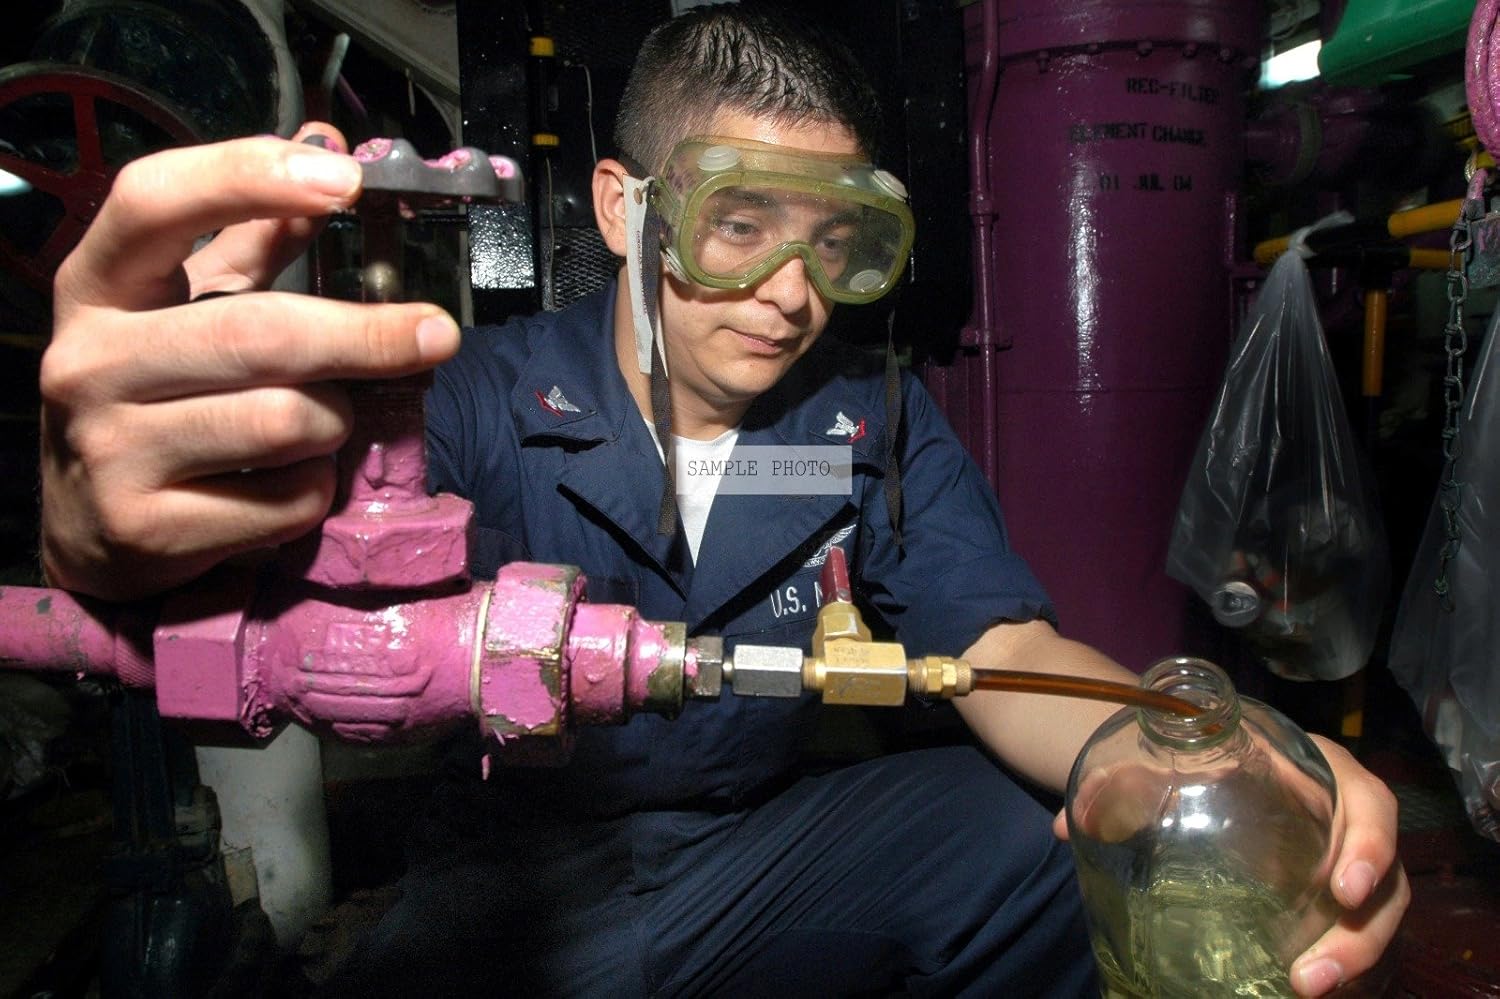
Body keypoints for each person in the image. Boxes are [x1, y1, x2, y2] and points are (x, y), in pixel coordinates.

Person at [38, 6, 1406, 997]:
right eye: (742, 226)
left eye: (834, 244)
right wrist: (111, 519)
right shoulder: (462, 399)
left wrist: (1185, 761)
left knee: (1023, 837)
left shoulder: (864, 417)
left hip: (760, 856)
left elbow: (1002, 649)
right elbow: (253, 566)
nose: (793, 296)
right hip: (515, 886)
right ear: (626, 209)